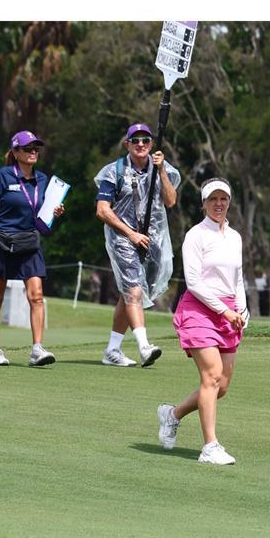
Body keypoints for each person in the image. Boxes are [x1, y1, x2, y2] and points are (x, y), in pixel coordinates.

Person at [157, 178, 247, 465]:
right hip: (199, 310)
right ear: (204, 203)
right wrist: (224, 311)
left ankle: (173, 414)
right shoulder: (196, 235)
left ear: (229, 202)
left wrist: (242, 311)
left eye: (223, 199)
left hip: (229, 312)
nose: (219, 204)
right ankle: (210, 447)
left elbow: (238, 278)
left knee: (221, 387)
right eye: (213, 199)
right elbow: (194, 283)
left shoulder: (234, 237)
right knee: (211, 375)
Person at [93, 122, 180, 368]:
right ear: (127, 144)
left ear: (151, 144)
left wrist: (161, 170)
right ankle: (144, 346)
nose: (141, 145)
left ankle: (112, 350)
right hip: (123, 238)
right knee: (133, 291)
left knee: (128, 291)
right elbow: (102, 210)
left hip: (150, 238)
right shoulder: (114, 171)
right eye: (136, 140)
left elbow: (171, 201)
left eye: (145, 140)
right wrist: (130, 234)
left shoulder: (159, 167)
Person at [0, 130, 65, 366]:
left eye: (36, 148)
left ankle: (37, 349)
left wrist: (53, 214)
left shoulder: (43, 180)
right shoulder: (3, 175)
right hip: (0, 241)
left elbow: (42, 219)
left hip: (29, 241)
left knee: (36, 295)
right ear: (16, 152)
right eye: (28, 149)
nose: (33, 152)